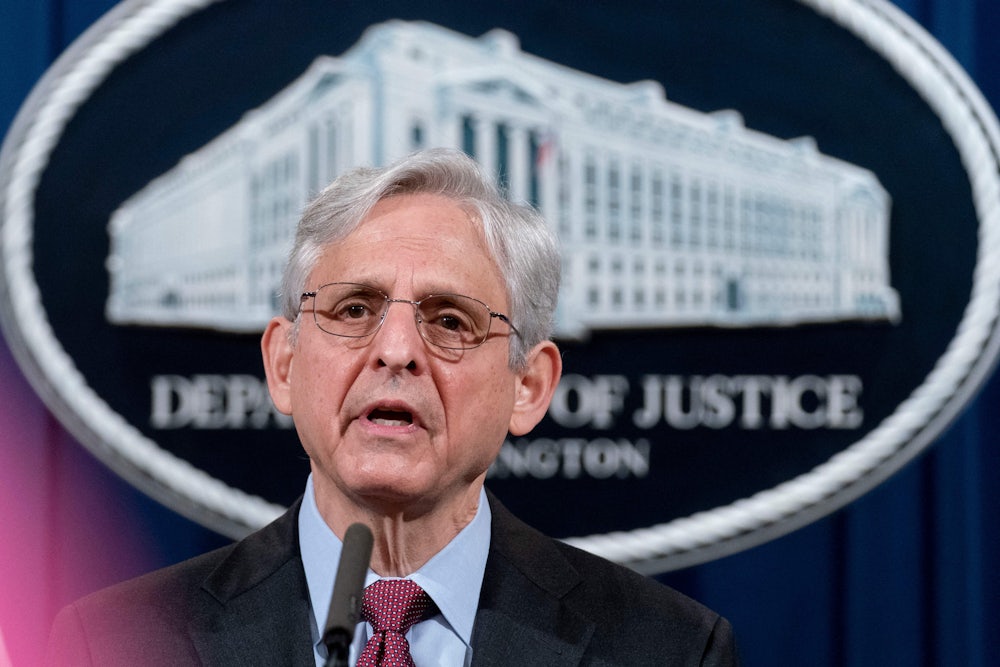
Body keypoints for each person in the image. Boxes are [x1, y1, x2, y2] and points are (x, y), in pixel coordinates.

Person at [45, 148, 739, 665]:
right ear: (283, 364)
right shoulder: (109, 644)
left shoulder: (670, 650)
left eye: (449, 320)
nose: (398, 349)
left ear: (528, 384)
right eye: (354, 308)